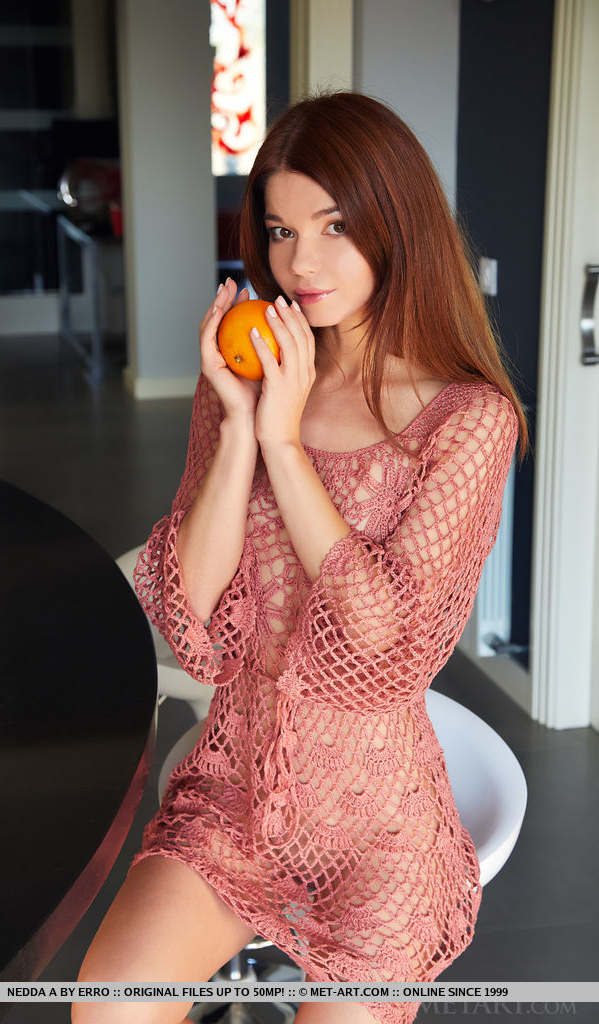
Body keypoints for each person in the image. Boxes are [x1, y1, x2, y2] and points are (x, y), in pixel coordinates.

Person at [73, 92, 527, 1024]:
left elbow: (384, 645)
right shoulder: (247, 380)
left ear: (394, 226)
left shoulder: (468, 419)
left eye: (333, 225)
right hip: (232, 797)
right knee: (104, 1011)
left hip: (375, 832)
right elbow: (185, 615)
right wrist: (242, 426)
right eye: (280, 230)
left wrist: (286, 447)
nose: (300, 263)